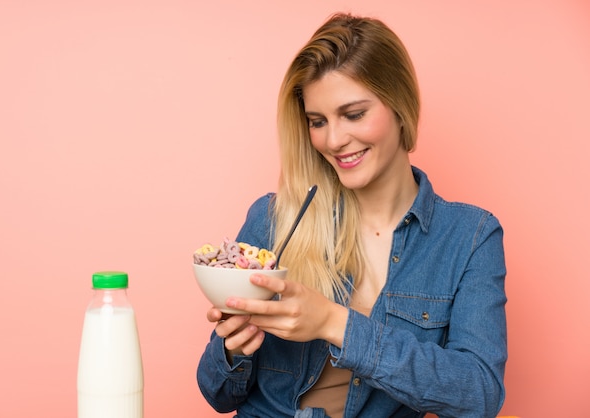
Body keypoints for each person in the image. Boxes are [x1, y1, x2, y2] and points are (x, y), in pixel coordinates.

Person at [196, 12, 507, 418]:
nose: (334, 140)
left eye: (354, 114)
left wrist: (334, 323)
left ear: (400, 106)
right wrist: (233, 344)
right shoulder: (275, 219)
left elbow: (479, 394)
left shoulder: (469, 237)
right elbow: (218, 394)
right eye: (317, 122)